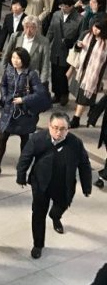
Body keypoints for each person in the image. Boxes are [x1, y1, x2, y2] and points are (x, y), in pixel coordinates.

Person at [17, 111, 92, 259]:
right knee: (38, 214)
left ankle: (55, 216)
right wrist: (21, 176)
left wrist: (86, 186)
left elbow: (84, 165)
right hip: (41, 184)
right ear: (49, 126)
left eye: (62, 128)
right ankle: (38, 244)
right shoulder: (37, 139)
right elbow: (25, 158)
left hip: (64, 184)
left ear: (68, 128)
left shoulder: (75, 143)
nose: (58, 132)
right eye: (55, 127)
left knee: (62, 205)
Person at [0, 46, 49, 176]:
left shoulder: (31, 74)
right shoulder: (9, 70)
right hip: (9, 109)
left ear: (24, 60)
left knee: (24, 139)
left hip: (24, 113)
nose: (15, 61)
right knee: (2, 136)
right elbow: (3, 84)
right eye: (13, 58)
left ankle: (22, 167)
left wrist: (24, 99)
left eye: (18, 58)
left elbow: (40, 93)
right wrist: (4, 98)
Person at [71, 17, 107, 129]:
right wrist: (78, 45)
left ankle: (75, 119)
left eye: (99, 29)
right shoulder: (87, 35)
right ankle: (92, 110)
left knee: (83, 96)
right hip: (81, 70)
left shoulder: (105, 43)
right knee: (83, 96)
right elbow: (76, 49)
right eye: (95, 27)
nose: (95, 30)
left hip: (94, 74)